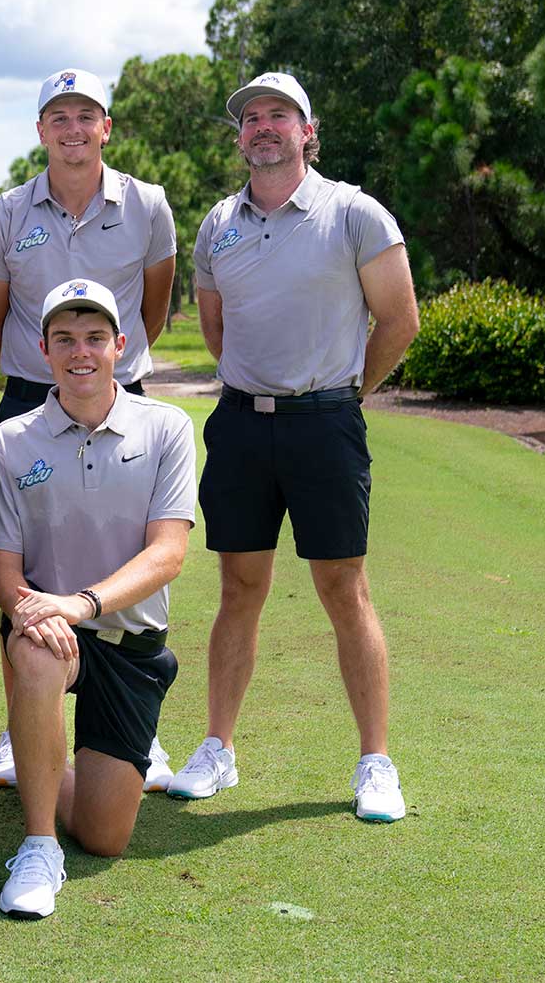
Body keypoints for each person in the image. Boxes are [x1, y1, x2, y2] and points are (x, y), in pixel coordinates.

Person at [167, 72, 418, 823]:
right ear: (240, 136)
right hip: (242, 424)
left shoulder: (353, 213)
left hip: (325, 424)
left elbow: (398, 320)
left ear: (309, 131)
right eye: (251, 118)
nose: (263, 126)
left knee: (345, 588)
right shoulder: (219, 223)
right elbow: (217, 330)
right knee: (238, 587)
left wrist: (344, 394)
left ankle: (375, 760)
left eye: (280, 114)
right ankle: (218, 748)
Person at [0, 67, 179, 793]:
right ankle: (22, 722)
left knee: (127, 543)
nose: (72, 128)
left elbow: (153, 307)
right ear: (40, 131)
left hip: (119, 386)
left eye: (85, 115)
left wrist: (103, 366)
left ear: (105, 127)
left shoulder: (148, 205)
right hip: (34, 386)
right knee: (23, 562)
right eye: (58, 116)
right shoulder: (4, 213)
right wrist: (48, 370)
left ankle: (125, 724)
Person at [0, 279, 195, 919]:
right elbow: (3, 569)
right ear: (44, 350)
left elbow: (168, 553)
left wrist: (81, 602)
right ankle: (39, 842)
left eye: (96, 338)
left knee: (106, 838)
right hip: (50, 632)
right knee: (42, 655)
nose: (82, 352)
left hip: (128, 641)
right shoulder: (12, 439)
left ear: (120, 347)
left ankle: (39, 761)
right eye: (66, 339)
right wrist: (33, 610)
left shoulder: (167, 427)